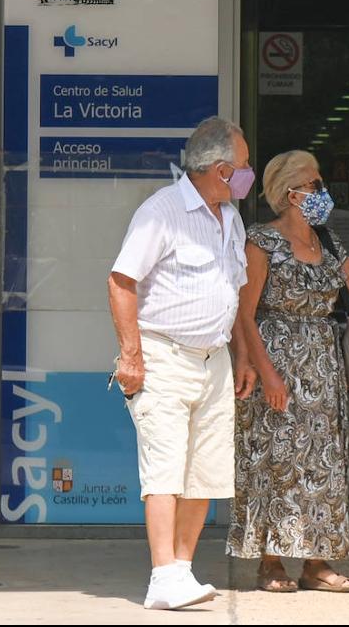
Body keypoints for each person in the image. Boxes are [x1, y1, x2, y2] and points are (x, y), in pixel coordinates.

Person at [227, 150, 349, 593]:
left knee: (325, 462)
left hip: (322, 365)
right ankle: (270, 560)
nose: (322, 193)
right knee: (274, 460)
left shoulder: (327, 241)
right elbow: (246, 313)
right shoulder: (262, 240)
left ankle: (317, 561)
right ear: (290, 193)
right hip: (276, 356)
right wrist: (267, 372)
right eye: (315, 185)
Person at [107, 117, 256, 610]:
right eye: (244, 167)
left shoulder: (229, 218)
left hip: (213, 359)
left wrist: (242, 357)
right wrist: (131, 354)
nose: (248, 175)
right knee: (166, 469)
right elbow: (121, 281)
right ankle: (162, 576)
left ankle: (182, 571)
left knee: (206, 472)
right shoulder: (162, 212)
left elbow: (231, 294)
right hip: (164, 355)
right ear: (219, 169)